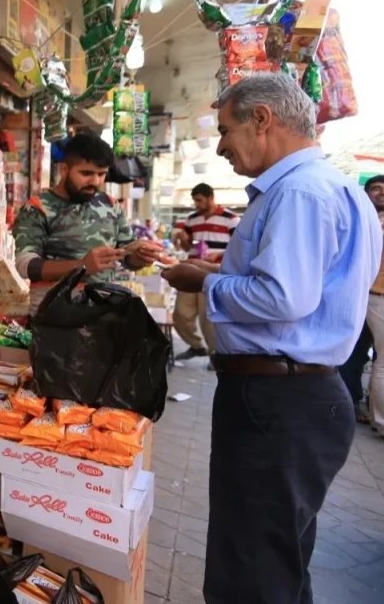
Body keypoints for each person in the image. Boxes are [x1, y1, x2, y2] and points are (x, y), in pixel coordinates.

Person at [161, 74, 382, 604]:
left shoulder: (300, 192)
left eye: (225, 129)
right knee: (278, 560)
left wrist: (204, 283)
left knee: (251, 569)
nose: (221, 146)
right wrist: (216, 271)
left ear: (261, 119)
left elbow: (283, 298)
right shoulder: (336, 190)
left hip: (278, 401)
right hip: (298, 396)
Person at [13, 132, 165, 311]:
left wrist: (140, 256)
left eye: (102, 174)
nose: (95, 181)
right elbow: (25, 266)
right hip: (53, 315)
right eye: (86, 173)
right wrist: (81, 266)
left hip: (101, 312)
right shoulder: (37, 208)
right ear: (64, 169)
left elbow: (126, 257)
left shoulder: (110, 205)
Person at [170, 183, 240, 363]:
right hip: (191, 271)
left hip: (214, 274)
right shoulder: (192, 219)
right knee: (180, 314)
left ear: (210, 198)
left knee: (208, 317)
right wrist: (184, 239)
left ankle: (215, 355)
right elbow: (186, 247)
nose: (196, 204)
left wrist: (219, 255)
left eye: (199, 200)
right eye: (194, 201)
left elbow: (240, 248)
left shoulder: (231, 219)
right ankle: (196, 346)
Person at [364, 174, 384, 432]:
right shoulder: (375, 221)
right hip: (378, 295)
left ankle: (375, 416)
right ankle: (381, 421)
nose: (382, 193)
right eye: (376, 188)